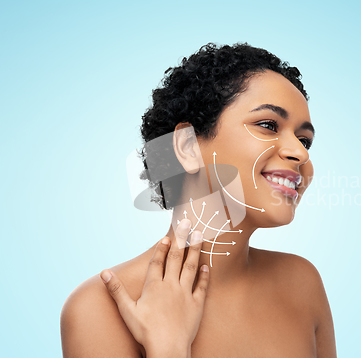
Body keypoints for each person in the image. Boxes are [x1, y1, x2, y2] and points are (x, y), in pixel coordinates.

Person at [60, 43, 337, 357]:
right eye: (268, 125)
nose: (300, 153)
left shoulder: (301, 284)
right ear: (186, 146)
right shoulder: (102, 306)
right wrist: (170, 346)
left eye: (305, 140)